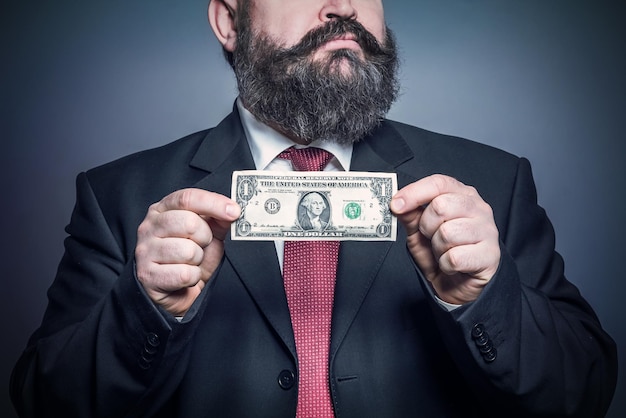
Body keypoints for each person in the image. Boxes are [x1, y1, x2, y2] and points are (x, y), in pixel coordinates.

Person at [10, 1, 617, 417]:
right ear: (228, 19)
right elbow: (44, 402)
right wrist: (143, 310)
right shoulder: (117, 196)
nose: (344, 5)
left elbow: (585, 393)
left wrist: (486, 298)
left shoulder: (492, 183)